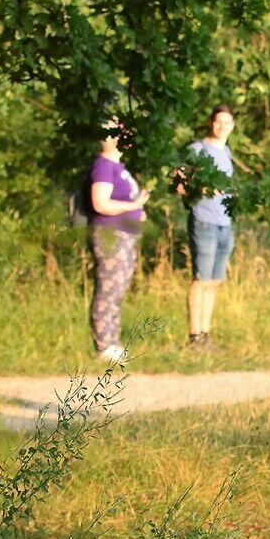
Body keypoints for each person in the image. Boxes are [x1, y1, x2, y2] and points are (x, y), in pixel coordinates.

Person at [87, 119, 150, 363]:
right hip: (110, 235)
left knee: (118, 288)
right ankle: (104, 345)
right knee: (109, 288)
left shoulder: (118, 166)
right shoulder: (104, 165)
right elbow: (100, 203)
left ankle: (112, 342)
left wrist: (137, 212)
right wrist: (134, 206)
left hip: (126, 234)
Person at [181, 105, 236, 351]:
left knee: (214, 281)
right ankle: (194, 336)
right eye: (218, 121)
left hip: (225, 223)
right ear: (211, 123)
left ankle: (205, 334)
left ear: (232, 126)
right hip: (204, 220)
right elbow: (178, 183)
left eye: (227, 122)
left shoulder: (226, 151)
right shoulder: (196, 149)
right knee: (201, 279)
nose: (222, 127)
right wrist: (201, 189)